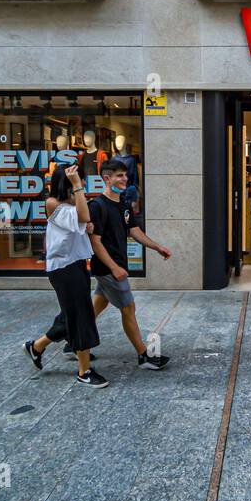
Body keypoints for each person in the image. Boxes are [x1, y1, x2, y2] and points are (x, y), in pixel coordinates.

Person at [22, 163, 109, 387]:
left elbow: (83, 218)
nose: (80, 183)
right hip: (63, 268)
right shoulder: (52, 203)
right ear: (66, 182)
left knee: (72, 313)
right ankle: (84, 371)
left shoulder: (71, 202)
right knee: (81, 316)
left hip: (76, 264)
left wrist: (87, 225)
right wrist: (78, 186)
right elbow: (82, 215)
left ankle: (37, 346)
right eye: (75, 179)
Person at [89, 158, 172, 370]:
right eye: (119, 175)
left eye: (125, 175)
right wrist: (115, 268)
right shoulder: (98, 206)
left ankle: (56, 343)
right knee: (128, 307)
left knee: (95, 307)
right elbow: (95, 242)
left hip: (114, 266)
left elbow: (134, 231)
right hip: (109, 267)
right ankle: (144, 355)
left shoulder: (123, 204)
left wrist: (157, 247)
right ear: (107, 178)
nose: (125, 178)